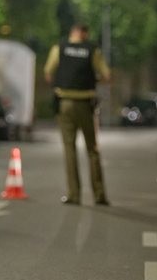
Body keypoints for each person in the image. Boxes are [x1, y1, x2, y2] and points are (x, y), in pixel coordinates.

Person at [44, 23, 111, 206]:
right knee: (92, 150)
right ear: (85, 34)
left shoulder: (60, 48)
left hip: (64, 103)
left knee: (69, 149)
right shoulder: (92, 50)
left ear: (72, 33)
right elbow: (107, 75)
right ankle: (99, 195)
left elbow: (48, 72)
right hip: (85, 105)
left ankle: (74, 194)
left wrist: (59, 84)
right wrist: (93, 80)